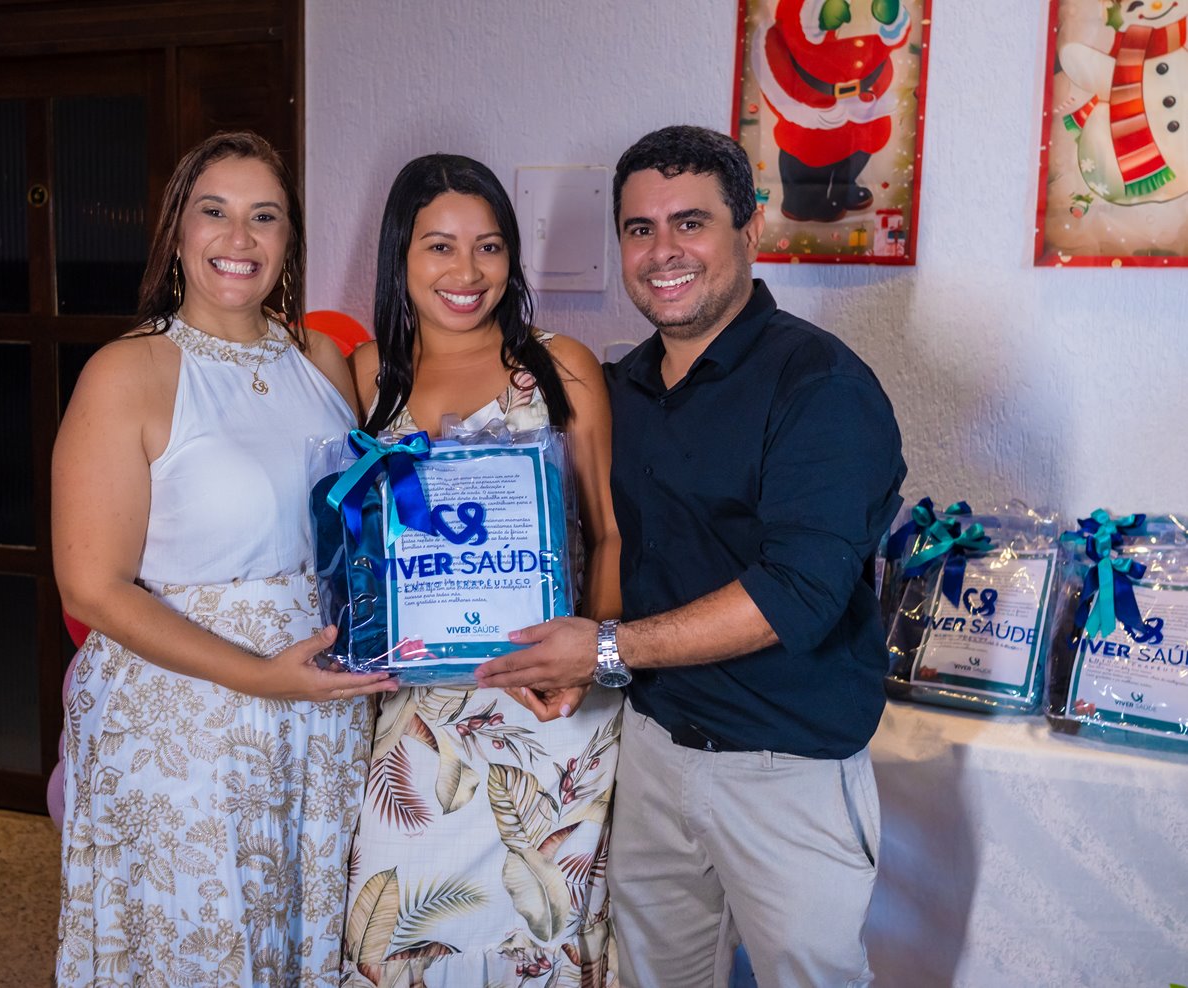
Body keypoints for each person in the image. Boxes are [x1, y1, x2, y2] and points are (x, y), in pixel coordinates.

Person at [476, 125, 906, 988]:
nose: (663, 251)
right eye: (640, 229)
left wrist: (603, 650)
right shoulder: (621, 387)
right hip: (653, 749)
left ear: (750, 232)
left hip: (786, 769)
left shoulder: (819, 385)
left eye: (690, 223)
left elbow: (797, 593)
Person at [51, 130, 396, 987]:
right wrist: (258, 677)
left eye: (264, 217)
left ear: (290, 238)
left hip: (317, 715)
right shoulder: (127, 372)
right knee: (200, 949)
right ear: (177, 229)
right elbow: (90, 586)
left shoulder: (320, 359)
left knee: (296, 938)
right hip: (186, 717)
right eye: (215, 212)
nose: (239, 238)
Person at [342, 154, 622, 986]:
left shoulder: (561, 367)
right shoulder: (367, 375)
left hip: (548, 707)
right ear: (399, 256)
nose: (467, 273)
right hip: (414, 718)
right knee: (395, 932)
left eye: (489, 246)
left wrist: (583, 664)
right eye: (439, 246)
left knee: (544, 931)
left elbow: (609, 534)